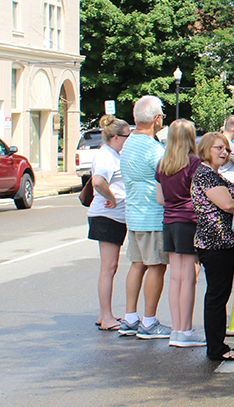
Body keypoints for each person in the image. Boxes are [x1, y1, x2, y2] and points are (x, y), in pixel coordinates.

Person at [191, 132, 234, 361]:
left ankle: (218, 345)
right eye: (218, 148)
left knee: (220, 294)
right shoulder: (205, 174)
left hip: (224, 243)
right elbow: (226, 204)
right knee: (217, 296)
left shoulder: (213, 174)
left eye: (226, 149)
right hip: (215, 243)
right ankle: (216, 348)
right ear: (206, 149)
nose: (224, 153)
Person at [118, 95, 170, 339]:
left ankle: (130, 317)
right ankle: (149, 321)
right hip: (152, 215)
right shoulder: (153, 149)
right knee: (156, 267)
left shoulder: (129, 143)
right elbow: (168, 176)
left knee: (137, 265)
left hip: (134, 213)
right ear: (157, 119)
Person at [156, 118, 205, 347]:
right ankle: (186, 330)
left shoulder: (163, 164)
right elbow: (199, 197)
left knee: (175, 277)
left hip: (169, 222)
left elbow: (160, 199)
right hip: (188, 222)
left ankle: (176, 329)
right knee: (189, 278)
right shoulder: (194, 163)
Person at [88, 115, 131, 331]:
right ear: (115, 137)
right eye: (126, 137)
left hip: (112, 216)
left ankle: (103, 314)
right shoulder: (106, 156)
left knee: (110, 267)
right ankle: (106, 317)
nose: (128, 140)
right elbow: (98, 181)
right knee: (109, 267)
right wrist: (112, 198)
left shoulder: (112, 154)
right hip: (107, 216)